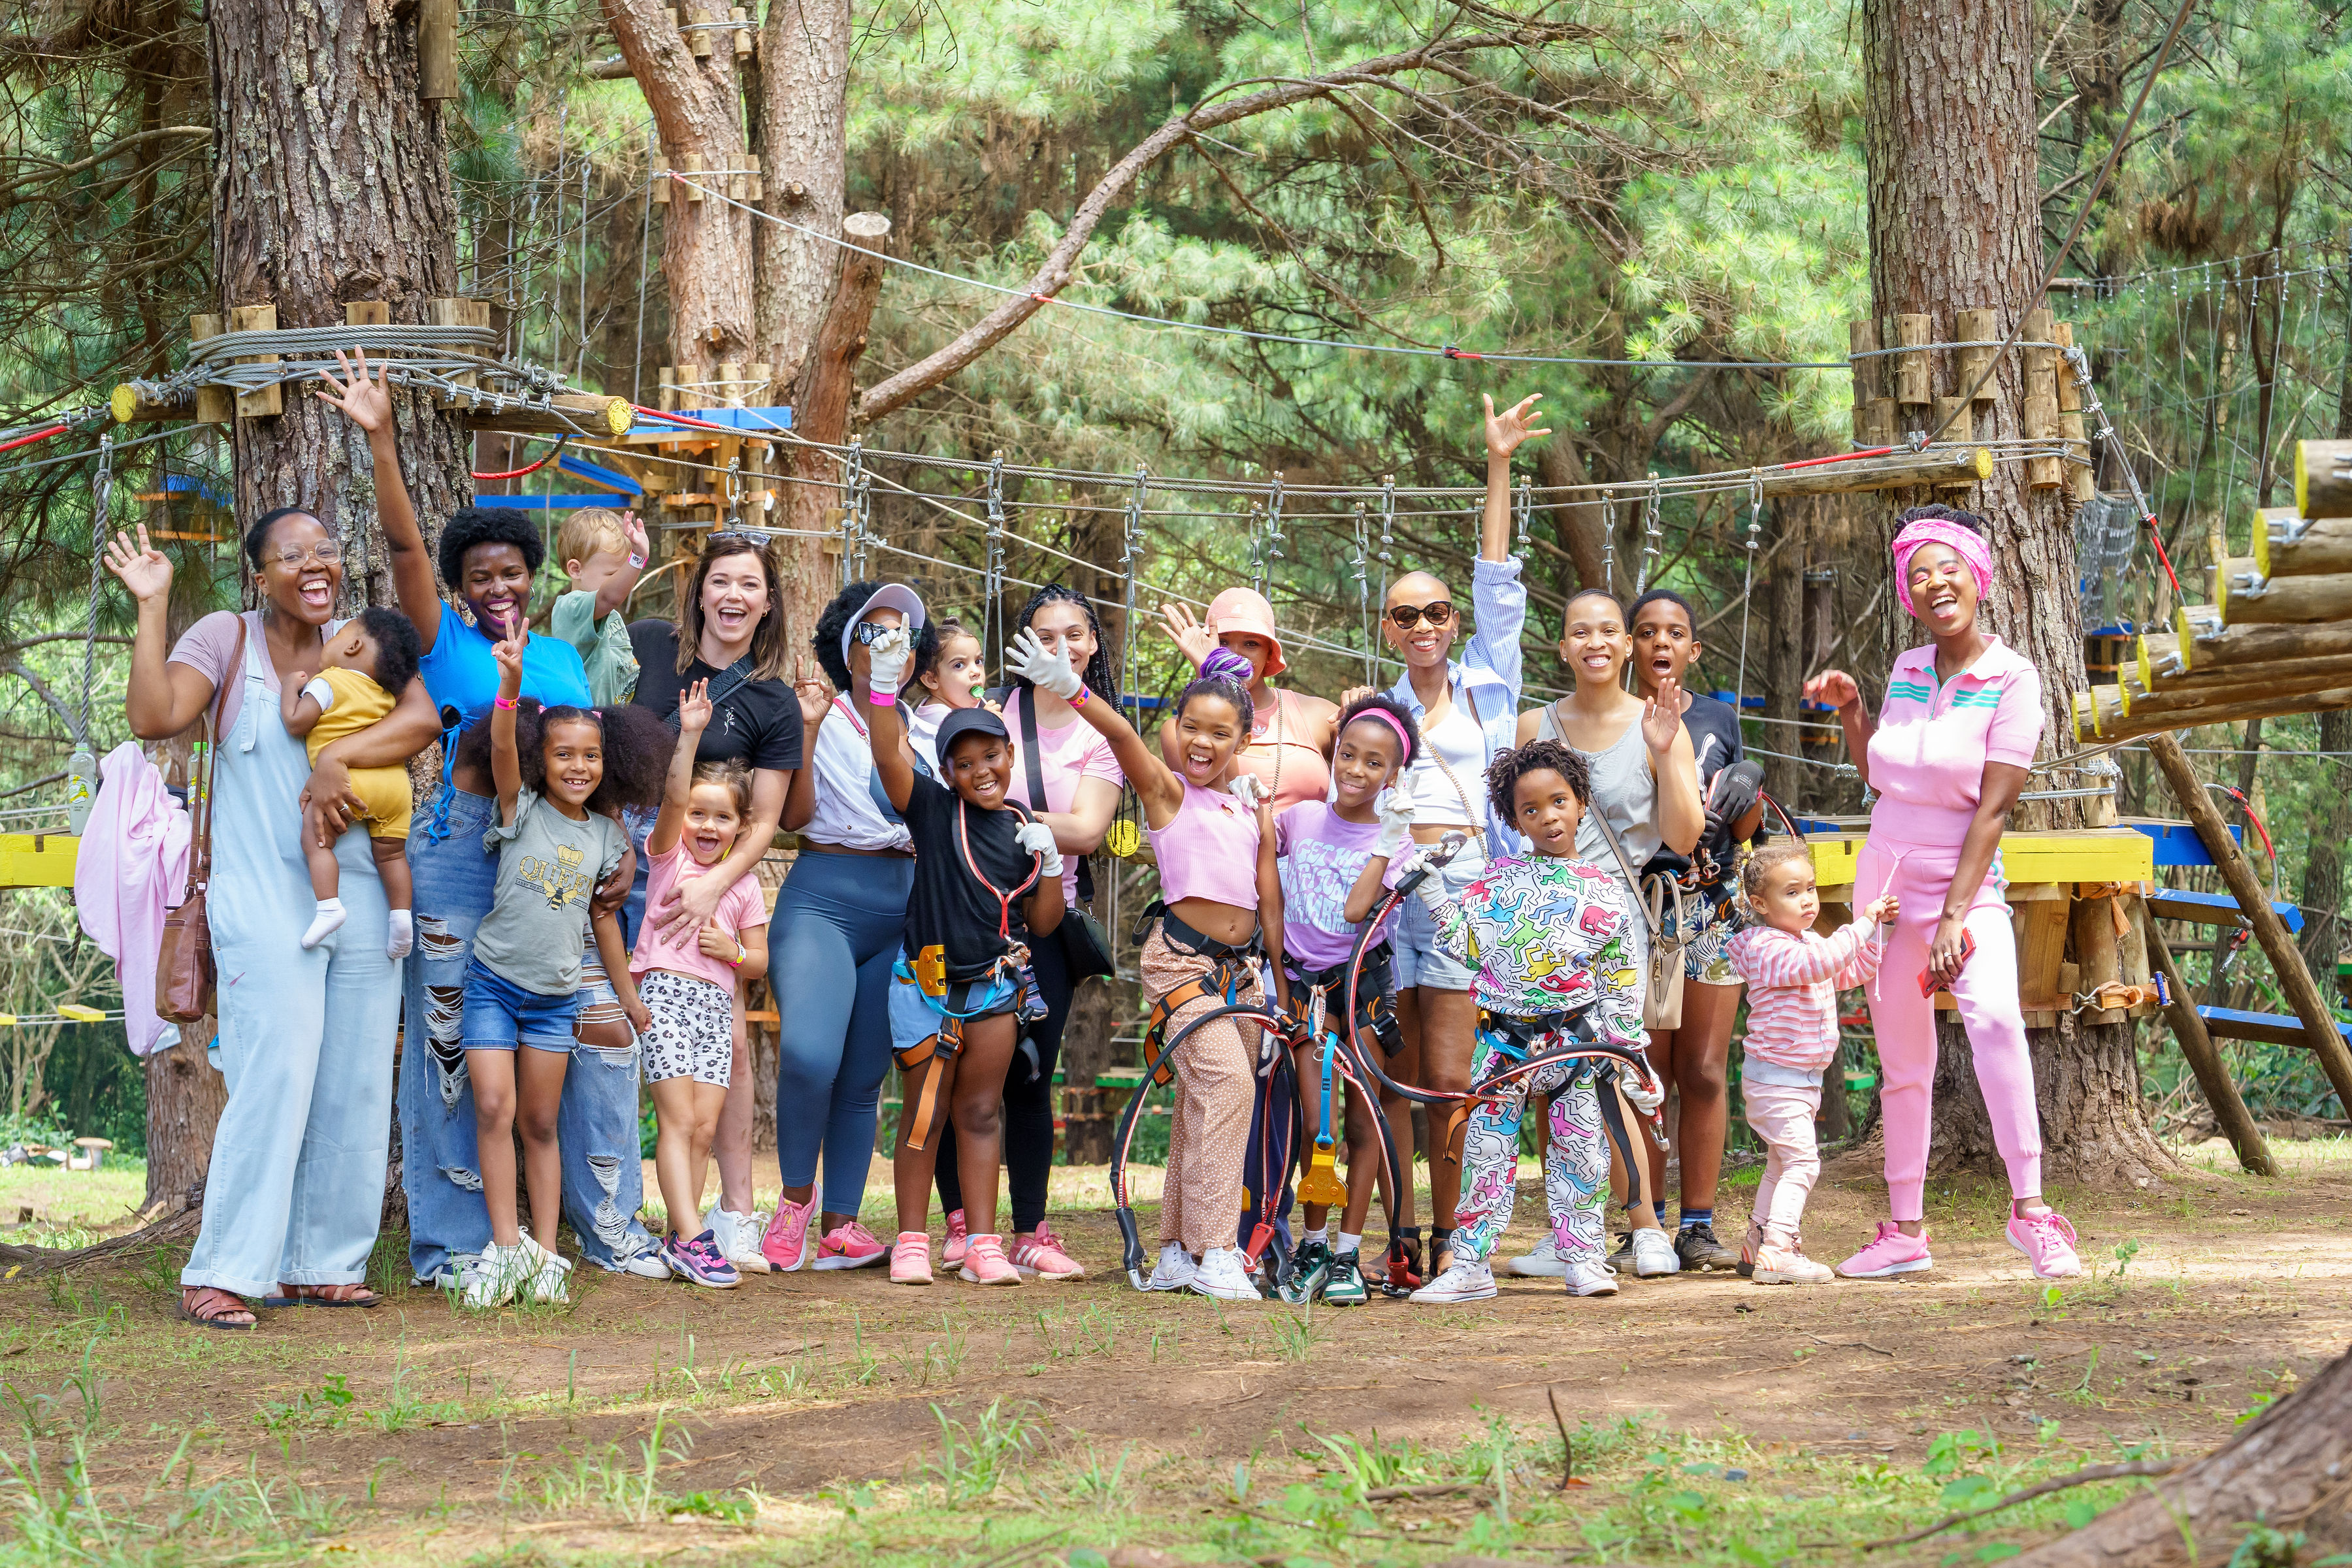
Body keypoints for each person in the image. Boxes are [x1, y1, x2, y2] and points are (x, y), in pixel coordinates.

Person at [316, 351, 666, 1288]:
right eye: (480, 574)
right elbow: (401, 554)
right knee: (448, 1050)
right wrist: (382, 438)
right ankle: (459, 1248)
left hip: (563, 868)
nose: (497, 586)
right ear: (464, 585)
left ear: (530, 574)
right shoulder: (444, 641)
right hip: (465, 859)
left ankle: (601, 1231)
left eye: (510, 571)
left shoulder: (560, 655)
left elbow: (594, 764)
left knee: (591, 1041)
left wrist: (624, 847)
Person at [109, 510, 439, 1330]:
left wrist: (335, 756)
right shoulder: (228, 638)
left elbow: (424, 720)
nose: (315, 564)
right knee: (279, 1070)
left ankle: (321, 1262)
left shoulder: (365, 640)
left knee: (358, 1073)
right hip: (262, 896)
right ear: (261, 574)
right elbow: (154, 718)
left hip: (361, 889)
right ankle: (222, 1267)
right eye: (293, 556)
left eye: (325, 550)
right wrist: (154, 606)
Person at [1805, 505, 2083, 1282]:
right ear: (1909, 594)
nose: (1933, 583)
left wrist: (1956, 917)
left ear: (1978, 576)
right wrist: (1856, 712)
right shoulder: (1906, 669)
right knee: (1903, 1059)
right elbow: (1880, 775)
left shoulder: (2014, 676)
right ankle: (1904, 1230)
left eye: (1945, 567)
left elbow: (1993, 810)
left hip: (1964, 885)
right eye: (1917, 575)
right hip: (1889, 884)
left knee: (1995, 1020)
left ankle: (2033, 1214)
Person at [1013, 634, 1279, 1301]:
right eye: (1191, 726)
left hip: (1242, 972)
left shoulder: (1245, 805)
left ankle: (1174, 1252)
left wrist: (1274, 980)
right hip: (1182, 962)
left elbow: (1263, 889)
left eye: (1220, 733)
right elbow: (1124, 734)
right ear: (1175, 731)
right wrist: (1073, 688)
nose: (1202, 742)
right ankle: (1217, 1248)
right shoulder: (1166, 794)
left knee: (1202, 1104)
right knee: (1228, 1089)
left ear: (1241, 742)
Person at [1386, 741, 1653, 1303]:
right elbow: (1468, 946)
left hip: (1574, 1043)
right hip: (1504, 1046)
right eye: (1530, 810)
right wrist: (1436, 894)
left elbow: (1621, 978)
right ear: (1513, 819)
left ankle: (1583, 1256)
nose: (1548, 817)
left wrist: (1629, 1057)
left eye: (1558, 801)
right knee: (1484, 1148)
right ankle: (1472, 1262)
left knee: (1581, 1152)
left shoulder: (1603, 890)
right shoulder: (1494, 881)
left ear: (1580, 801)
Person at [1378, 393, 1535, 1286]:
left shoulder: (1489, 683)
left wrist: (1499, 463)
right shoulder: (1380, 709)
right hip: (1402, 898)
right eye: (1409, 616)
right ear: (1389, 630)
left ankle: (1461, 1247)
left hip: (1477, 890)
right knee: (1400, 1075)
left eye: (1438, 611)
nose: (1429, 625)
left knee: (1455, 1074)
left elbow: (1497, 576)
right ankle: (1407, 1243)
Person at [456, 643, 661, 1309]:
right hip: (492, 986)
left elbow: (603, 923)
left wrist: (629, 1001)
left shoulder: (607, 837)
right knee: (494, 1106)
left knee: (540, 1124)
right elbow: (504, 753)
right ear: (542, 760)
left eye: (591, 756)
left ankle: (545, 1256)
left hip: (554, 1000)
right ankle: (505, 1248)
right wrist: (511, 686)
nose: (579, 766)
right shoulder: (520, 809)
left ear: (607, 766)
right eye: (564, 754)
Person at [627, 532, 809, 1277]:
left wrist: (711, 887)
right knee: (608, 1032)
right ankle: (612, 1210)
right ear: (699, 591)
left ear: (767, 604)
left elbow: (765, 819)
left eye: (751, 586)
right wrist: (625, 568)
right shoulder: (646, 650)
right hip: (630, 843)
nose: (734, 597)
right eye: (722, 582)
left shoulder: (772, 701)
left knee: (727, 1046)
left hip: (712, 866)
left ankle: (732, 1214)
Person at [862, 625, 1066, 1287]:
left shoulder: (1019, 829)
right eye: (965, 763)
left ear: (1010, 755)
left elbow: (1043, 920)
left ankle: (983, 1243)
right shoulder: (931, 808)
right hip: (926, 987)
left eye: (992, 758)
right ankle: (913, 1241)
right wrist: (883, 689)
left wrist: (1053, 861)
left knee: (981, 1112)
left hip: (994, 993)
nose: (982, 772)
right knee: (926, 1112)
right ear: (948, 770)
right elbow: (892, 758)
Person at [931, 585, 1122, 1281]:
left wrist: (1023, 819)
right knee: (958, 1073)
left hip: (1042, 920)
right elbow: (957, 791)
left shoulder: (1102, 732)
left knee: (1031, 1075)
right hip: (973, 918)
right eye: (1044, 635)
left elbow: (1090, 830)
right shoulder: (994, 713)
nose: (1060, 647)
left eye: (1074, 634)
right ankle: (959, 1223)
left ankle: (1031, 1228)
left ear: (1093, 642)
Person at [1516, 586, 1702, 1279]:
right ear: (1563, 647)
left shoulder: (1659, 721)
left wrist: (1663, 751)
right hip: (1543, 917)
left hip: (1616, 919)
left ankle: (1647, 1227)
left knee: (1615, 1075)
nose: (1594, 642)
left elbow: (1681, 836)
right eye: (1578, 631)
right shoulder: (1536, 722)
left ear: (1627, 646)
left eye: (1607, 631)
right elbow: (1518, 823)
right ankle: (1570, 1226)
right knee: (1547, 1074)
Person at [763, 581, 935, 1273]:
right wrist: (803, 730)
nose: (890, 644)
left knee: (866, 1072)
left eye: (903, 635)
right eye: (875, 632)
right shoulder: (818, 714)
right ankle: (795, 1202)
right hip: (824, 898)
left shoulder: (930, 728)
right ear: (848, 648)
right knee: (809, 1054)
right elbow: (794, 816)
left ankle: (843, 1223)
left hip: (903, 902)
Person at [1622, 587, 1763, 1272]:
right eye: (1646, 632)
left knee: (1705, 1069)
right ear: (1628, 645)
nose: (1660, 645)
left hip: (1711, 907)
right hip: (1642, 909)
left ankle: (1698, 1225)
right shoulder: (1614, 717)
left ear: (1694, 648)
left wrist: (1749, 778)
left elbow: (1746, 827)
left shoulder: (1716, 716)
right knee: (1648, 1074)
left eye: (1674, 632)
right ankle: (1642, 1223)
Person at [1267, 693, 1420, 1306]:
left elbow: (1358, 911)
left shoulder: (1396, 844)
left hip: (1363, 993)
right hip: (1308, 990)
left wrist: (1388, 838)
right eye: (1348, 755)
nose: (1355, 770)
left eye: (1374, 763)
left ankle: (1348, 1254)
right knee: (1316, 1125)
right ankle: (1312, 1240)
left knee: (1365, 1125)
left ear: (1394, 774)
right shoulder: (1300, 817)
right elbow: (1253, 859)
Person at [634, 679, 771, 1288]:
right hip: (664, 994)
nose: (707, 825)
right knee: (677, 1120)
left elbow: (761, 963)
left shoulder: (742, 886)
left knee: (706, 1129)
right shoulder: (669, 858)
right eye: (699, 813)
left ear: (741, 828)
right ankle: (694, 1237)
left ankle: (679, 1236)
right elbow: (669, 797)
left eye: (722, 816)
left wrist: (733, 950)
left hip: (716, 1008)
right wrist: (689, 734)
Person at [1726, 842, 1897, 1286]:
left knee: (1782, 1164)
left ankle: (1757, 1243)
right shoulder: (1768, 948)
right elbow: (1821, 962)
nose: (1807, 899)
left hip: (1796, 1081)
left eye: (1810, 889)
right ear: (1761, 904)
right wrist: (1862, 923)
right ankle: (1781, 1251)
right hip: (1776, 1082)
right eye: (1792, 892)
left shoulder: (1808, 943)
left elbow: (1842, 972)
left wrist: (1880, 934)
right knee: (1804, 1163)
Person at [279, 606, 424, 956]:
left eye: (338, 635)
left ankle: (329, 907)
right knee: (391, 856)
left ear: (354, 645)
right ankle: (402, 919)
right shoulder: (385, 695)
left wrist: (289, 689)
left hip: (351, 784)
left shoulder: (329, 681)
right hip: (395, 788)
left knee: (317, 842)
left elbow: (297, 722)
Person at [1158, 587, 1337, 814]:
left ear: (1270, 653)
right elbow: (1220, 796)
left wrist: (1365, 706)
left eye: (1251, 644)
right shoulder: (1180, 732)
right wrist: (1213, 675)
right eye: (1222, 643)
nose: (1235, 654)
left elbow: (1377, 766)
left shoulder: (1317, 714)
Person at [552, 508, 649, 706]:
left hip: (615, 719)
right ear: (576, 570)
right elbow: (609, 596)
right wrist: (637, 559)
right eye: (614, 574)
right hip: (586, 722)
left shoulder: (608, 614)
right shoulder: (571, 608)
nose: (624, 580)